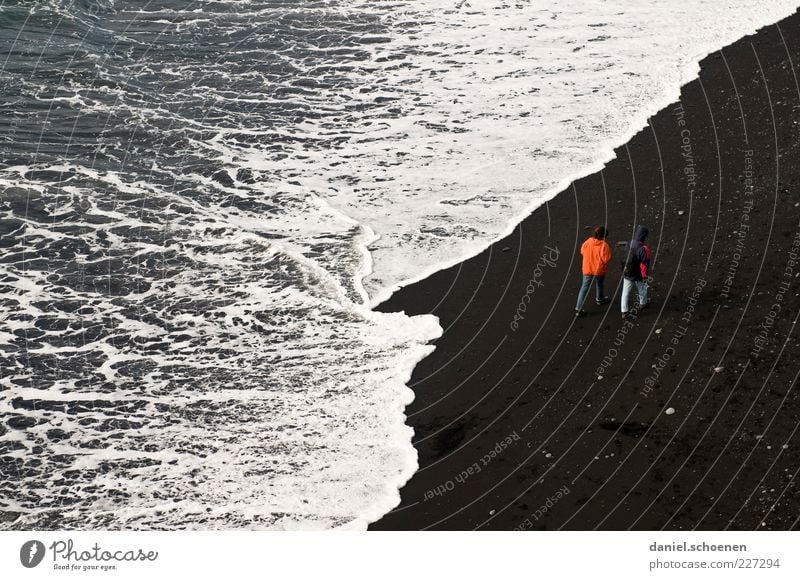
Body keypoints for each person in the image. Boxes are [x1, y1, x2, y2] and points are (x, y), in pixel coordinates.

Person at [575, 226, 612, 317]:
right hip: (599, 270)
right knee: (599, 283)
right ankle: (600, 299)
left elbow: (582, 251)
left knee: (584, 288)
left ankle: (578, 309)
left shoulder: (588, 241)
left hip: (587, 268)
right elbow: (606, 259)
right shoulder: (605, 246)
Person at [621, 225, 652, 319]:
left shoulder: (629, 243)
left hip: (627, 271)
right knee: (642, 288)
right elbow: (644, 264)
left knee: (625, 292)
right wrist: (644, 276)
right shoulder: (644, 248)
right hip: (638, 274)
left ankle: (624, 311)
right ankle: (643, 303)